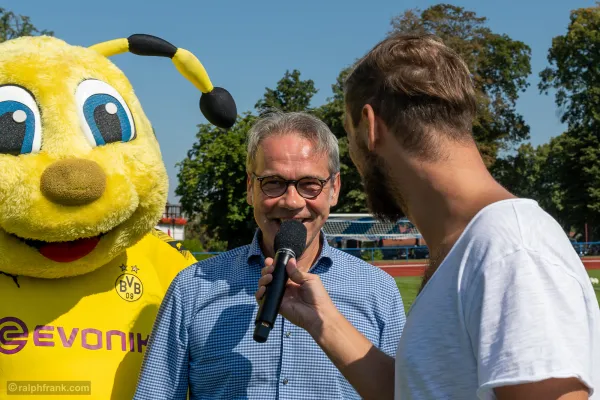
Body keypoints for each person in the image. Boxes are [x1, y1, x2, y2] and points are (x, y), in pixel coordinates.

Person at [256, 33, 600, 399]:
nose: (354, 157)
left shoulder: (512, 251)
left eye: (348, 133)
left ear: (370, 126)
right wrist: (322, 321)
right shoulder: (470, 249)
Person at [133, 111, 406, 399]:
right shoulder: (192, 287)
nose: (291, 201)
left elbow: (405, 392)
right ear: (250, 188)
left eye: (309, 184)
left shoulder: (378, 290)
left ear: (334, 189)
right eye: (273, 182)